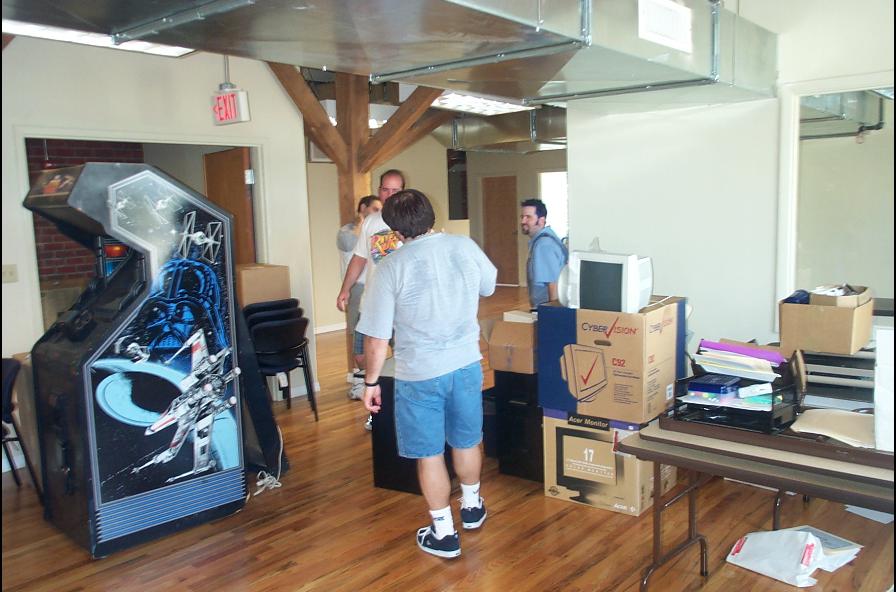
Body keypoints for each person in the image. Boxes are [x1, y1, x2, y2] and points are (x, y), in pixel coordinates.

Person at [357, 189, 497, 559]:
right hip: (466, 365)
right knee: (467, 441)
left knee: (430, 454)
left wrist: (370, 383)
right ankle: (472, 507)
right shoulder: (463, 246)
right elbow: (488, 285)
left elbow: (377, 338)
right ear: (431, 215)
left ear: (395, 229)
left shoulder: (391, 267)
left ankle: (444, 533)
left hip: (420, 374)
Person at [336, 170, 405, 426]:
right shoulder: (371, 222)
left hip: (401, 307)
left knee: (404, 361)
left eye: (395, 190)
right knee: (362, 357)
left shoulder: (411, 221)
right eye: (385, 189)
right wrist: (345, 289)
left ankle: (392, 414)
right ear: (379, 191)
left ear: (403, 192)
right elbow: (359, 258)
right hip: (373, 304)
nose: (390, 194)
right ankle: (378, 406)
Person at [336, 195, 382, 399]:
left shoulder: (378, 231)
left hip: (375, 289)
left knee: (376, 339)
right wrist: (364, 224)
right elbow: (351, 246)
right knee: (358, 337)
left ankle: (371, 381)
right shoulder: (346, 232)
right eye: (375, 209)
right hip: (357, 289)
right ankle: (360, 383)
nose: (378, 214)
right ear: (363, 208)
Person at [520, 198, 567, 310]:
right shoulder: (546, 240)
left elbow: (553, 283)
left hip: (546, 310)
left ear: (541, 220)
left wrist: (553, 314)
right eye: (522, 217)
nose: (523, 221)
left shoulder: (543, 245)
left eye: (528, 217)